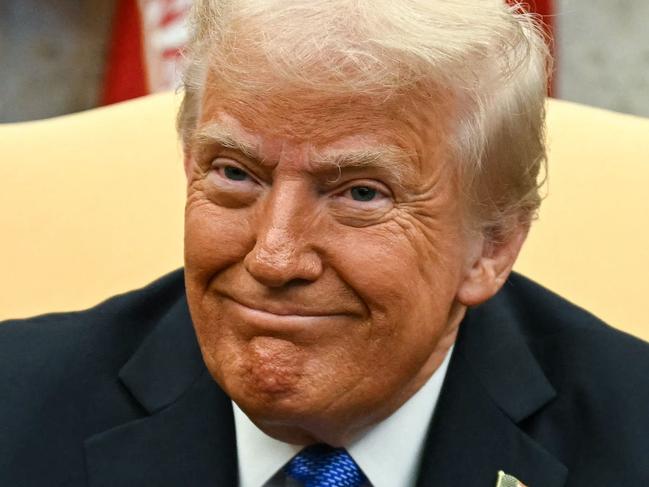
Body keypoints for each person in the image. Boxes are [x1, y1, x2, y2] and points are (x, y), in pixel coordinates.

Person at [2, 1, 648, 485]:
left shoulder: (629, 436)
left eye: (360, 193)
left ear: (491, 246)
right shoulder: (16, 407)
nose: (274, 255)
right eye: (234, 173)